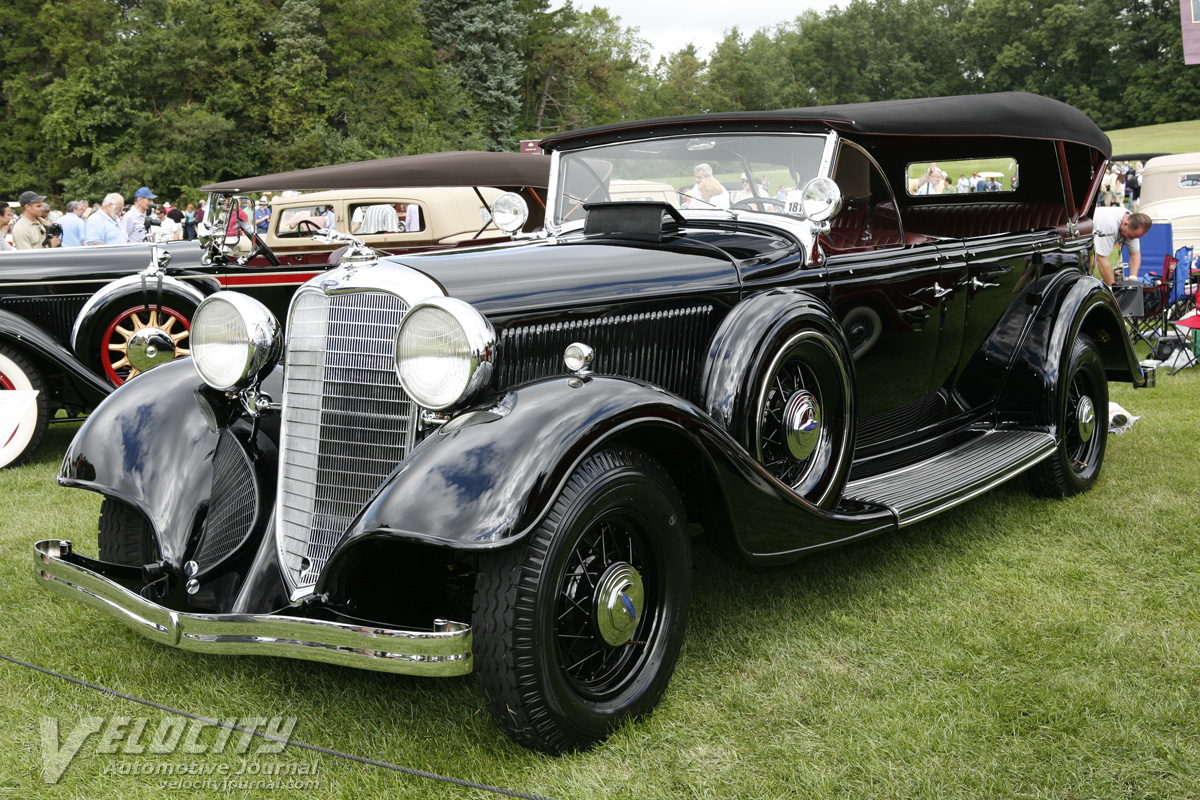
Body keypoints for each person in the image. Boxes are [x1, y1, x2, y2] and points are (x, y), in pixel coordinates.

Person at [1093, 208, 1152, 286]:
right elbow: (1101, 259)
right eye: (1130, 236)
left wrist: (1133, 279)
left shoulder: (1133, 221)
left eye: (1134, 237)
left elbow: (1135, 254)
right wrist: (1114, 287)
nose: (1131, 239)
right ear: (1125, 224)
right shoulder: (1109, 224)